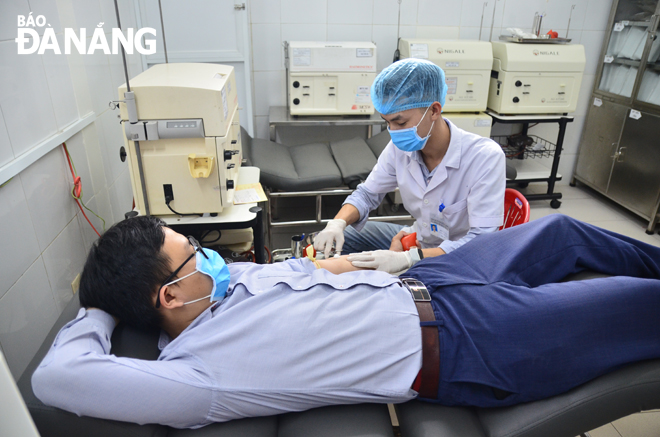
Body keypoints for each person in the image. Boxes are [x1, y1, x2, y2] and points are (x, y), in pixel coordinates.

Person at [32, 214, 660, 429]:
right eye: (195, 256)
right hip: (472, 342)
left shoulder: (227, 289)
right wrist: (97, 309)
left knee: (558, 230)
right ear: (168, 297)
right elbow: (56, 378)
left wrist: (388, 259)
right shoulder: (198, 378)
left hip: (430, 283)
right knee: (638, 302)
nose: (212, 257)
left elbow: (310, 276)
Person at [314, 58, 506, 274]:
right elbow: (367, 195)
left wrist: (409, 258)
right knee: (344, 238)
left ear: (434, 110)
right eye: (387, 122)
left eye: (401, 122)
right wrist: (336, 224)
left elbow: (481, 243)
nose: (393, 131)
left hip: (459, 260)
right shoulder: (401, 148)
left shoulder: (484, 158)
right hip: (421, 239)